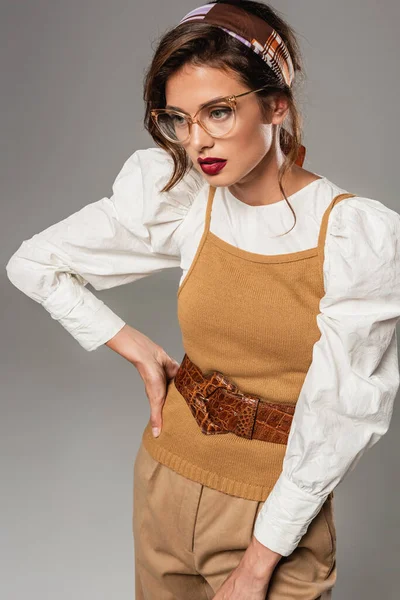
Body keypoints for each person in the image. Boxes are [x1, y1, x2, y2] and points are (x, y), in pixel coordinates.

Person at [5, 1, 400, 598]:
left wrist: (258, 562)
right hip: (166, 478)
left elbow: (342, 414)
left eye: (218, 112)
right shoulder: (192, 202)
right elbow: (33, 263)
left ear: (275, 105)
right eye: (178, 119)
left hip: (275, 519)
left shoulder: (355, 237)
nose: (197, 142)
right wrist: (133, 345)